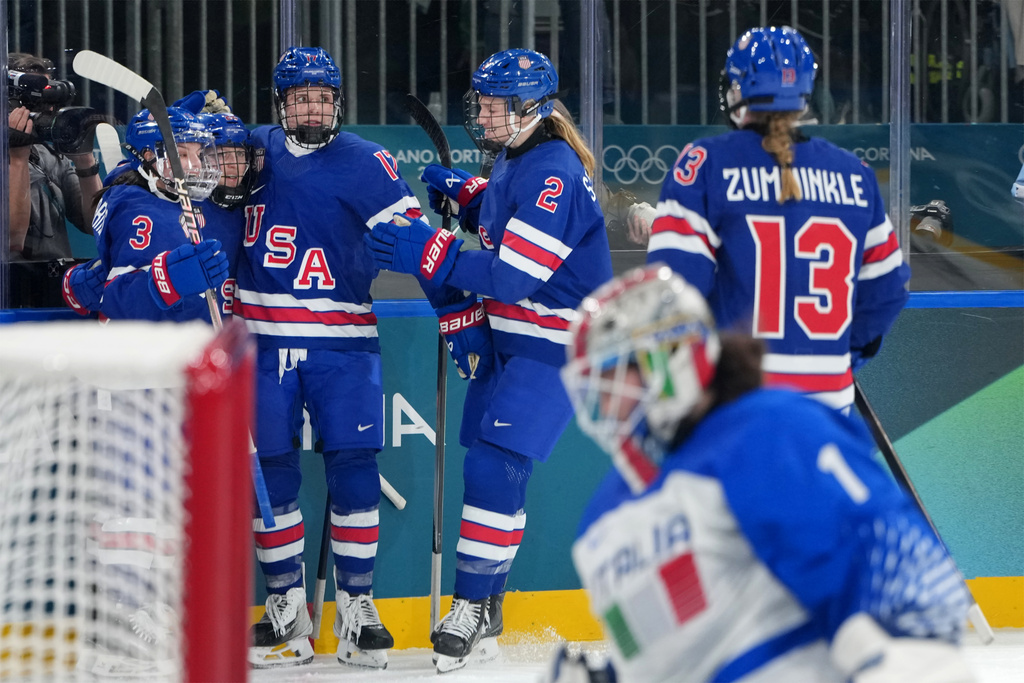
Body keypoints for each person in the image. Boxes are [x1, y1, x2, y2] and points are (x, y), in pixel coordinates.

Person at [554, 264, 976, 683]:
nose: (604, 409)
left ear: (671, 359)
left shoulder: (769, 435)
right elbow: (678, 655)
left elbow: (896, 581)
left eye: (613, 380)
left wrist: (907, 658)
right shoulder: (604, 518)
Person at [365, 48, 614, 672]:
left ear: (531, 108)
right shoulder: (518, 156)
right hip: (513, 338)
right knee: (490, 467)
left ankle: (472, 604)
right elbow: (509, 221)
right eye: (481, 102)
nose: (481, 114)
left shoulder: (554, 169)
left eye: (493, 104)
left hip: (555, 343)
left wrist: (431, 250)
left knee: (492, 470)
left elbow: (510, 275)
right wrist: (475, 199)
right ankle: (492, 600)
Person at [234, 46, 421, 671]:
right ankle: (286, 606)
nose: (311, 107)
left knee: (354, 466)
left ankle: (357, 609)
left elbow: (417, 242)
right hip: (260, 340)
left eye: (321, 96)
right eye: (300, 97)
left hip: (343, 342)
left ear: (336, 102)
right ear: (281, 103)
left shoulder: (369, 163)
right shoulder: (251, 151)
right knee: (273, 473)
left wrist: (456, 299)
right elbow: (182, 167)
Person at [646, 26, 910, 412]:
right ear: (805, 93)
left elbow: (675, 291)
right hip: (829, 403)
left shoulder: (705, 163)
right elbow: (887, 289)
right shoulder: (855, 174)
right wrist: (840, 355)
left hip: (740, 401)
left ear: (735, 89)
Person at [82, 107, 229, 323]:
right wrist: (169, 281)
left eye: (198, 154)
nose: (196, 165)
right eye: (182, 154)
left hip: (193, 340)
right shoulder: (135, 209)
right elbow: (117, 301)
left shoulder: (179, 197)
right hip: (149, 347)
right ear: (149, 157)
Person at [7, 52, 104, 308]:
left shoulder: (46, 154)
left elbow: (95, 224)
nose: (48, 109)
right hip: (10, 292)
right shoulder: (19, 154)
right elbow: (12, 240)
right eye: (38, 101)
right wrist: (18, 159)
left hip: (54, 289)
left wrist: (84, 160)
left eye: (51, 100)